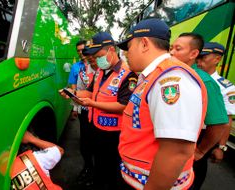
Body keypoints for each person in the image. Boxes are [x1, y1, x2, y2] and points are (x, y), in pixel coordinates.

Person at [117, 18, 208, 190]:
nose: (126, 55)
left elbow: (176, 151)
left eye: (128, 48)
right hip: (136, 178)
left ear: (144, 44)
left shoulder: (170, 79)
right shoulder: (152, 76)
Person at [60, 32, 138, 190]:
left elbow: (124, 106)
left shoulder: (128, 75)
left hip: (114, 133)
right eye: (93, 56)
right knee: (99, 164)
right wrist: (72, 93)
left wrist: (93, 104)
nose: (95, 59)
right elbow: (90, 92)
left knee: (112, 170)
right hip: (97, 128)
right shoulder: (100, 72)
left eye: (98, 55)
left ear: (111, 50)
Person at [170, 33, 228, 190]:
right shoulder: (173, 74)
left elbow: (220, 122)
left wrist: (201, 151)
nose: (172, 52)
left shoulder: (205, 81)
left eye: (178, 48)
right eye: (171, 48)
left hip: (192, 142)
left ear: (193, 54)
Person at [197, 42, 235, 162]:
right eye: (198, 58)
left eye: (203, 58)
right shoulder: (190, 78)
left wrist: (221, 146)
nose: (198, 62)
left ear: (217, 59)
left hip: (204, 135)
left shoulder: (226, 87)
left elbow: (226, 120)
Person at [74, 45, 99, 187]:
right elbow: (79, 90)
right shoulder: (83, 72)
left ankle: (96, 172)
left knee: (98, 145)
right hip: (85, 111)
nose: (91, 60)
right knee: (85, 144)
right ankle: (88, 167)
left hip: (101, 113)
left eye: (93, 57)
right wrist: (76, 108)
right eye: (89, 58)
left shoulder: (106, 72)